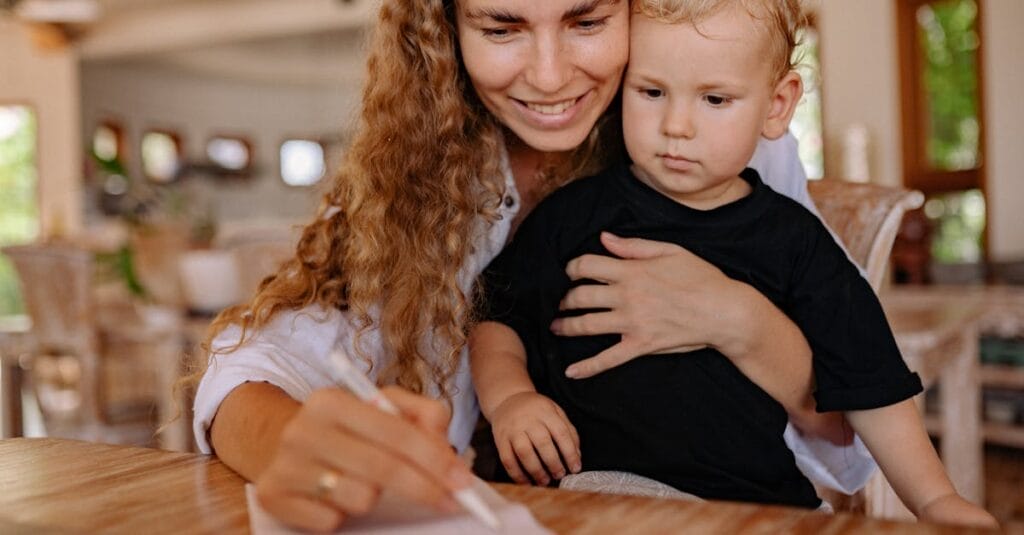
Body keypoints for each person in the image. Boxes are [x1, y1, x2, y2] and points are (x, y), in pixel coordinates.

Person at [190, 0, 872, 531]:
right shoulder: (413, 170)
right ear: (446, 28)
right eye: (501, 27)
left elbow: (846, 437)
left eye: (587, 19)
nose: (549, 76)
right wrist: (293, 446)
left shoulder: (725, 135)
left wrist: (741, 321)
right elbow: (244, 369)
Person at [469, 0, 997, 526]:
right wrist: (510, 397)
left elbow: (873, 383)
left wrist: (934, 500)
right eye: (651, 92)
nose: (676, 125)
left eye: (715, 99)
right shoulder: (573, 214)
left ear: (777, 105)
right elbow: (497, 317)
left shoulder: (796, 241)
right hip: (615, 488)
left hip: (772, 499)